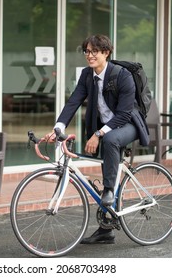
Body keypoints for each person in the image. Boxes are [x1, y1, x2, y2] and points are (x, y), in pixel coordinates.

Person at [45, 34, 143, 244]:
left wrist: (98, 134)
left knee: (109, 141)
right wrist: (58, 126)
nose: (89, 56)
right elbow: (74, 101)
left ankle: (109, 191)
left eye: (94, 51)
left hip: (127, 125)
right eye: (87, 51)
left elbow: (125, 115)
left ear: (106, 53)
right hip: (106, 129)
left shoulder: (122, 75)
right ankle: (106, 230)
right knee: (107, 163)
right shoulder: (87, 75)